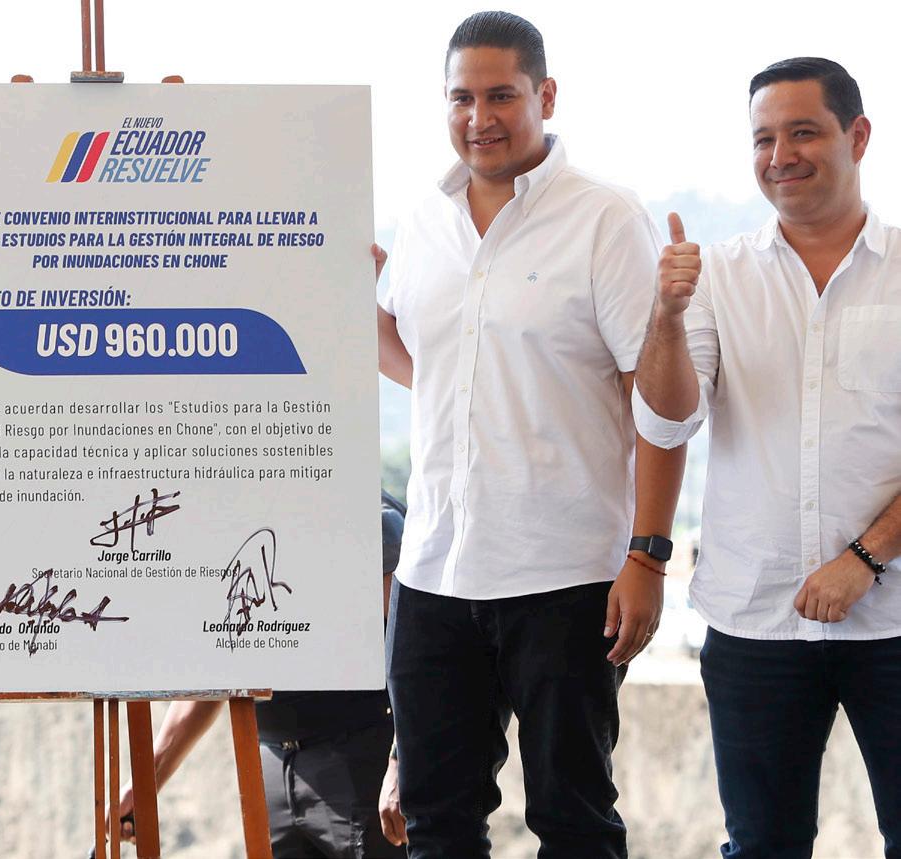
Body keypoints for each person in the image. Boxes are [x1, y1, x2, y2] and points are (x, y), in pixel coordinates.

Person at [374, 12, 684, 857]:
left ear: (545, 95)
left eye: (501, 96)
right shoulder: (423, 219)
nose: (480, 117)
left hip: (566, 577)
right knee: (435, 821)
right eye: (462, 98)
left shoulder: (604, 218)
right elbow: (425, 359)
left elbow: (656, 406)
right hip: (435, 572)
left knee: (573, 819)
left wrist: (649, 555)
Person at [634, 57, 901, 858]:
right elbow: (670, 418)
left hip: (895, 619)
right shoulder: (718, 275)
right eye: (763, 139)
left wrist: (866, 556)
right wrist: (666, 317)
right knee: (761, 846)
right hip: (755, 618)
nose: (780, 155)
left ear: (858, 136)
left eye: (803, 132)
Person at [116, 493, 407, 858]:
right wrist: (146, 782)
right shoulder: (231, 529)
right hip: (270, 766)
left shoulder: (370, 519)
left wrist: (402, 760)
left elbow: (414, 652)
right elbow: (219, 670)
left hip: (360, 763)